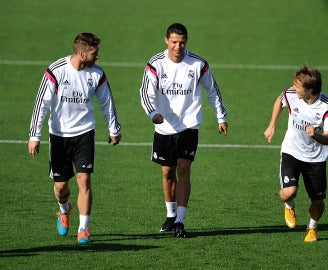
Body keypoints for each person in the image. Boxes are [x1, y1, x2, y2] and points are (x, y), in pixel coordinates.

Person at [28, 33, 122, 244]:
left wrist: (114, 128)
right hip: (59, 136)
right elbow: (40, 104)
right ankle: (64, 210)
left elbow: (107, 102)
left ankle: (83, 229)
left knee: (84, 179)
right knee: (61, 187)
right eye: (94, 53)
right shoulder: (56, 70)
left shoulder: (97, 74)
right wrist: (34, 136)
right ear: (81, 53)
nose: (98, 57)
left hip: (84, 134)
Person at [140, 23, 228, 238]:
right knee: (167, 172)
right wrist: (153, 114)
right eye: (174, 42)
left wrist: (221, 116)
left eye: (182, 42)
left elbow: (213, 91)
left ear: (186, 41)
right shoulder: (155, 64)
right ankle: (170, 216)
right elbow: (145, 93)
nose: (178, 46)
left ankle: (180, 220)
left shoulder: (198, 64)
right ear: (166, 41)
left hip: (189, 124)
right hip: (163, 126)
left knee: (183, 169)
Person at [264, 65, 328, 242]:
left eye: (298, 86)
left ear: (310, 90)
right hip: (291, 151)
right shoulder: (291, 94)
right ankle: (289, 205)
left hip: (316, 158)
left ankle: (312, 227)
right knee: (288, 192)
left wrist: (315, 135)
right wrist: (272, 124)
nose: (293, 88)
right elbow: (279, 100)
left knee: (318, 201)